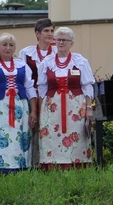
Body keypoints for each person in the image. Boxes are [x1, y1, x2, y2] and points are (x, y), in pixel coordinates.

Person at [0, 33, 38, 172]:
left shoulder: (22, 65)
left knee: (19, 135)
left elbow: (29, 88)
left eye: (11, 45)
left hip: (19, 106)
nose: (8, 48)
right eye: (4, 45)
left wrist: (33, 111)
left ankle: (19, 166)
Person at [37, 26, 95, 169]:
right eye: (58, 40)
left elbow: (87, 86)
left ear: (71, 43)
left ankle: (77, 166)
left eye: (64, 40)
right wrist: (40, 111)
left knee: (77, 136)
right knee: (51, 137)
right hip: (52, 108)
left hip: (75, 108)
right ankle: (51, 166)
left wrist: (88, 108)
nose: (61, 43)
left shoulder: (80, 61)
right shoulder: (46, 62)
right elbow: (42, 88)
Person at [18, 17, 55, 163]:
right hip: (31, 96)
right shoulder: (26, 53)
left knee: (48, 126)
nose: (50, 34)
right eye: (46, 31)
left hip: (50, 95)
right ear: (37, 34)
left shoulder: (57, 51)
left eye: (52, 31)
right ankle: (31, 162)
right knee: (32, 125)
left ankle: (48, 160)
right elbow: (23, 76)